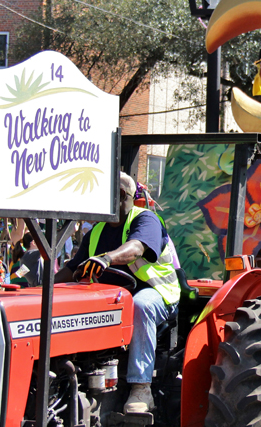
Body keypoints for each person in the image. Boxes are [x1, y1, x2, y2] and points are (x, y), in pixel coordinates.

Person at [57, 173, 179, 414]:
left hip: (157, 293)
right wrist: (42, 289)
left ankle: (141, 387)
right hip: (112, 301)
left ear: (121, 194)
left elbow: (136, 248)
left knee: (140, 305)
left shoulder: (146, 220)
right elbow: (73, 269)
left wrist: (107, 258)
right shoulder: (96, 231)